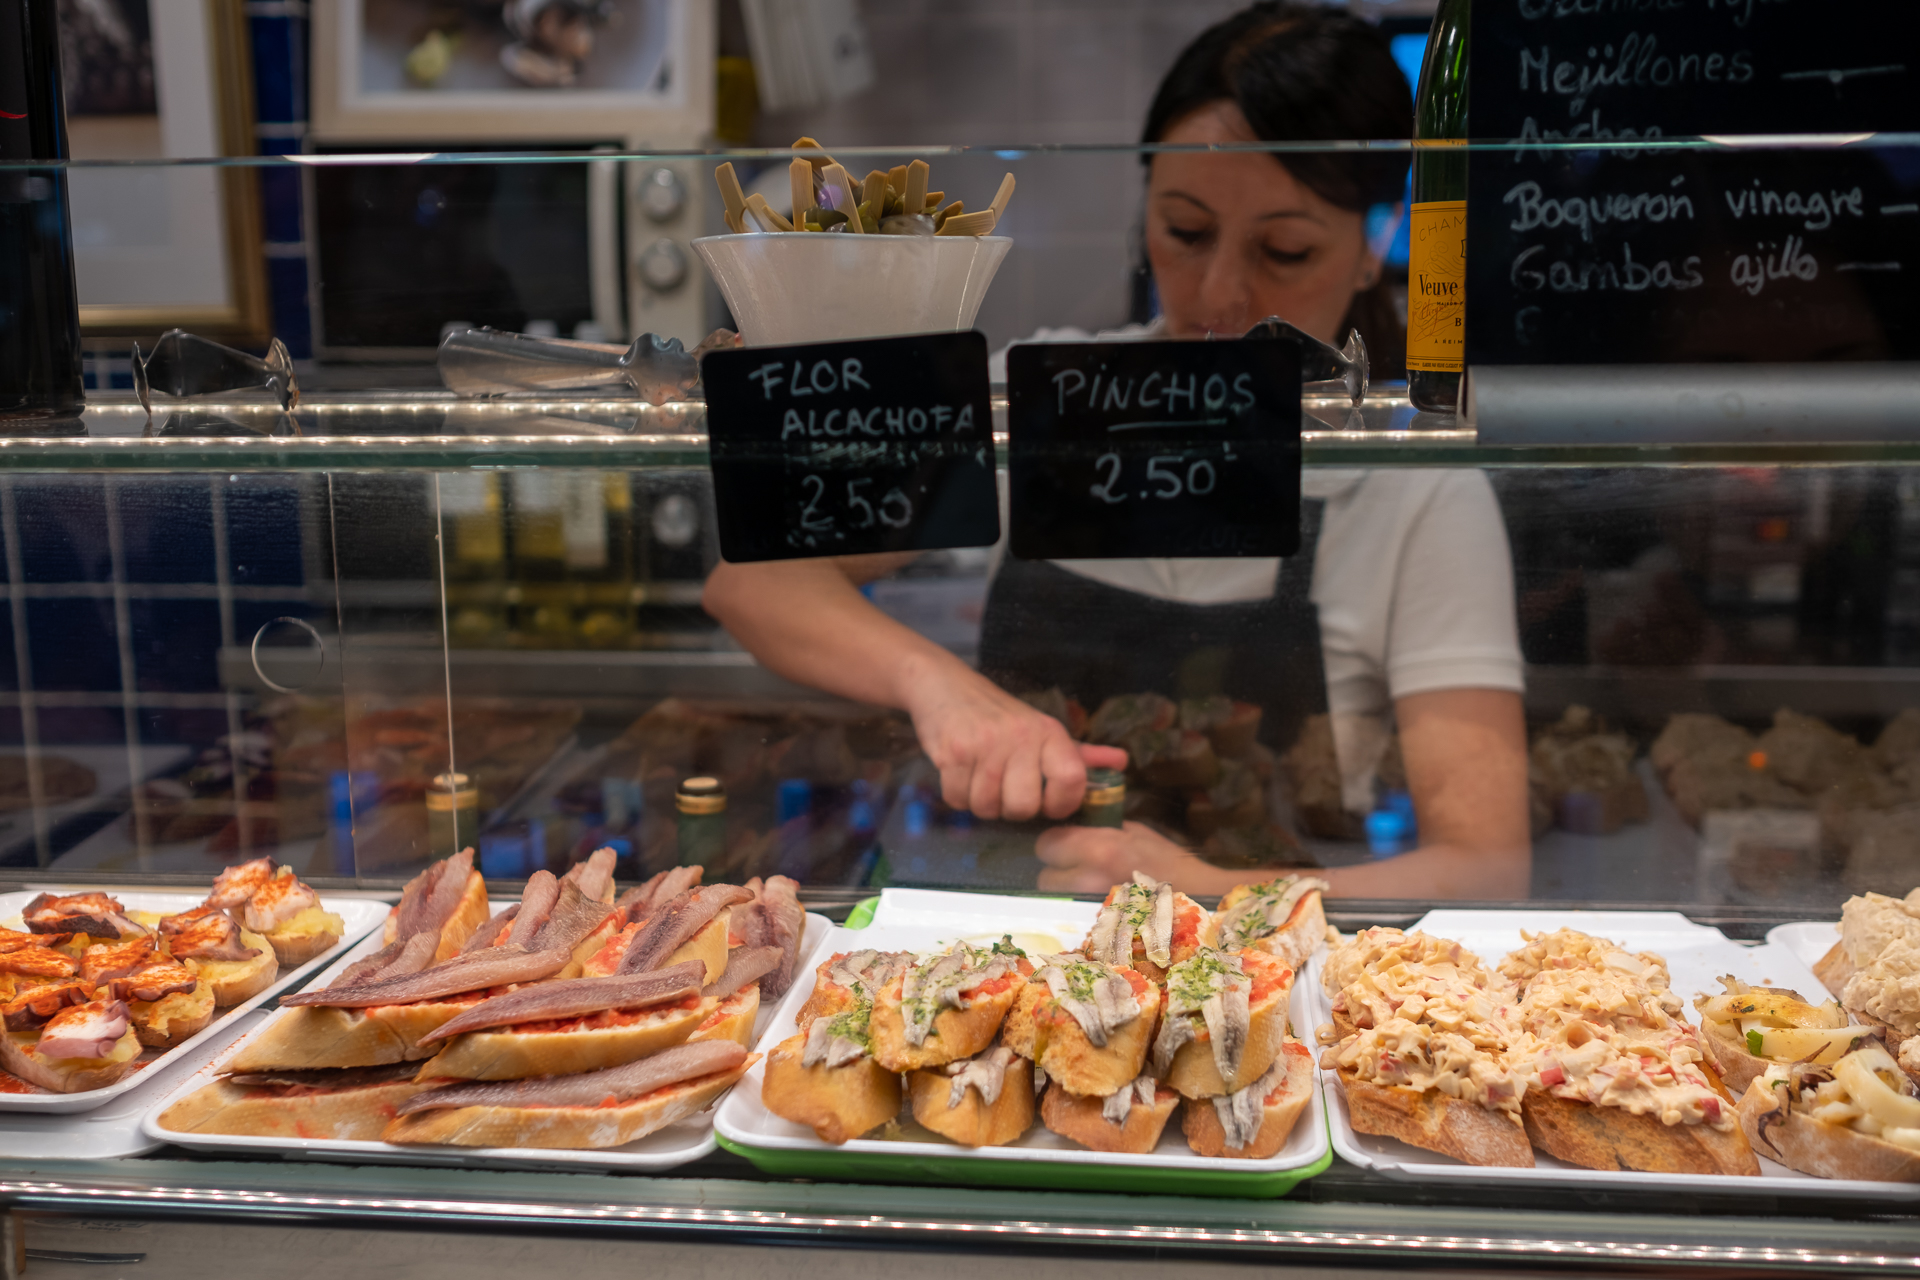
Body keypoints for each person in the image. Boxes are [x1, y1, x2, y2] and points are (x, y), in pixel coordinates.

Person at [704, 3, 1531, 900]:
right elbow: (754, 578)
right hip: (1007, 944)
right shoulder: (1058, 391)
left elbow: (1486, 864)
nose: (1220, 292)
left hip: (1262, 977)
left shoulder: (1417, 485)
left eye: (1285, 250)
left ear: (1375, 245)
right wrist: (935, 683)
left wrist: (1209, 889)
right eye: (1184, 230)